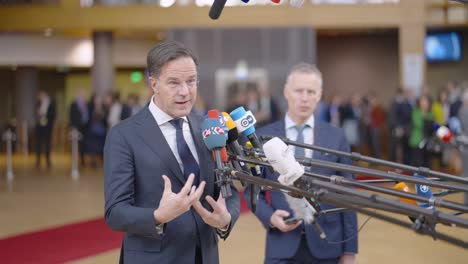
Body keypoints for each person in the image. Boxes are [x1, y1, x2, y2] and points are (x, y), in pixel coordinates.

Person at [104, 41, 240, 264]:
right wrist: (158, 216)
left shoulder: (208, 126)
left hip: (205, 256)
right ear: (154, 84)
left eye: (191, 81)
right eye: (174, 83)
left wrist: (226, 219)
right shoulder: (123, 135)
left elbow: (228, 191)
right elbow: (115, 213)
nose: (185, 91)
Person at [246, 63, 358, 264]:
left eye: (311, 91)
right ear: (286, 92)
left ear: (319, 95)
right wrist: (270, 217)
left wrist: (350, 250)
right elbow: (251, 188)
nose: (304, 97)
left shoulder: (336, 137)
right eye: (299, 91)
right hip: (281, 245)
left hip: (329, 246)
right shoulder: (264, 137)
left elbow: (347, 195)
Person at [35, 90, 56, 168]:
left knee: (47, 144)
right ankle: (38, 160)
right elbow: (35, 114)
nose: (41, 97)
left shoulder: (51, 104)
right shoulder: (38, 104)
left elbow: (53, 115)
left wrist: (45, 114)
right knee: (38, 144)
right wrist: (38, 114)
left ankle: (48, 160)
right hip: (39, 127)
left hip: (47, 127)